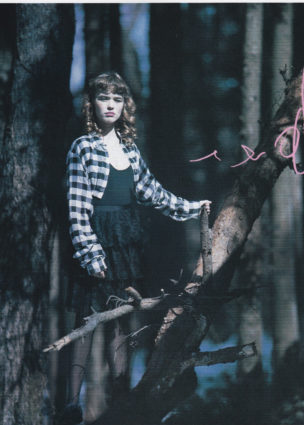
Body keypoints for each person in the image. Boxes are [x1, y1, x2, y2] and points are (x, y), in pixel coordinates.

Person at [60, 71, 211, 424]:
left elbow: (154, 193)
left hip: (126, 242)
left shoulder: (129, 149)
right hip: (96, 239)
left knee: (121, 321)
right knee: (86, 322)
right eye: (103, 98)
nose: (110, 106)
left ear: (124, 105)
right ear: (92, 104)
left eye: (117, 99)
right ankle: (69, 407)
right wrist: (90, 253)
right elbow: (77, 209)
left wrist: (192, 208)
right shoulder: (83, 147)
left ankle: (120, 401)